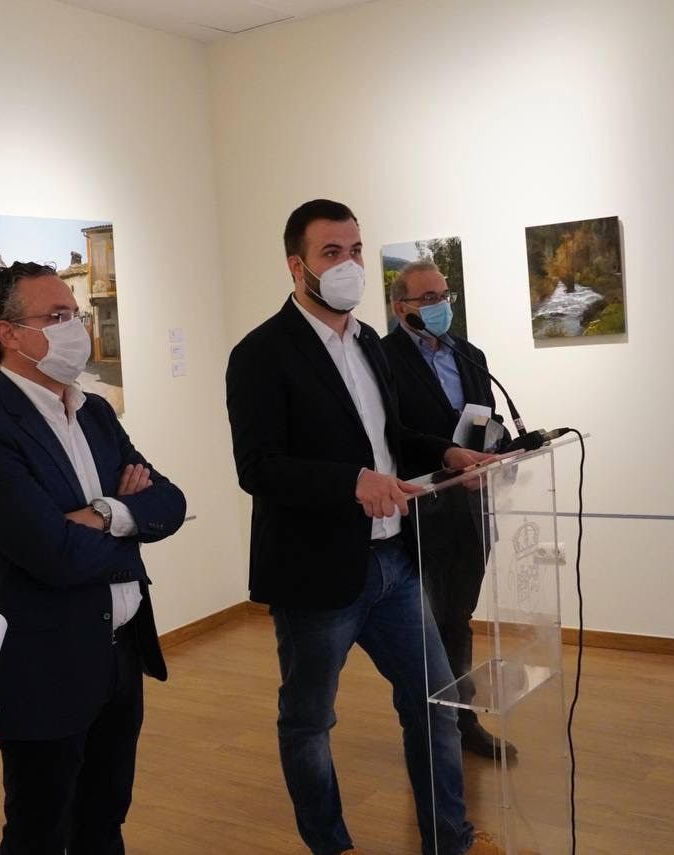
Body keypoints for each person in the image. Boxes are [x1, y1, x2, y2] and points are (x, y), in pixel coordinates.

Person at [225, 200, 503, 855]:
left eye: (354, 250)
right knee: (309, 722)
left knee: (434, 702)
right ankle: (331, 845)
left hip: (394, 564)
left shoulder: (370, 342)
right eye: (331, 252)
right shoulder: (261, 353)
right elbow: (258, 467)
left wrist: (447, 453)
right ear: (296, 266)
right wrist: (352, 481)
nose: (348, 264)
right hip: (316, 574)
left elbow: (390, 435)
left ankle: (450, 839)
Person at [0, 262, 187, 855]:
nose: (76, 328)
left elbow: (171, 502)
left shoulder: (95, 412)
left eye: (74, 314)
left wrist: (101, 514)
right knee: (39, 830)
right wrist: (129, 516)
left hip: (120, 652)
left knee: (105, 821)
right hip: (46, 663)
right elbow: (53, 555)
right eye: (56, 317)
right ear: (9, 334)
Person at [383, 260, 515, 760]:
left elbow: (485, 419)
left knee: (459, 617)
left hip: (472, 509)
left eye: (444, 296)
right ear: (401, 308)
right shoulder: (383, 358)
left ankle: (463, 720)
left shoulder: (470, 355)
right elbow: (392, 433)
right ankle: (431, 726)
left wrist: (497, 450)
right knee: (429, 624)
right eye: (428, 299)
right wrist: (447, 454)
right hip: (423, 513)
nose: (440, 306)